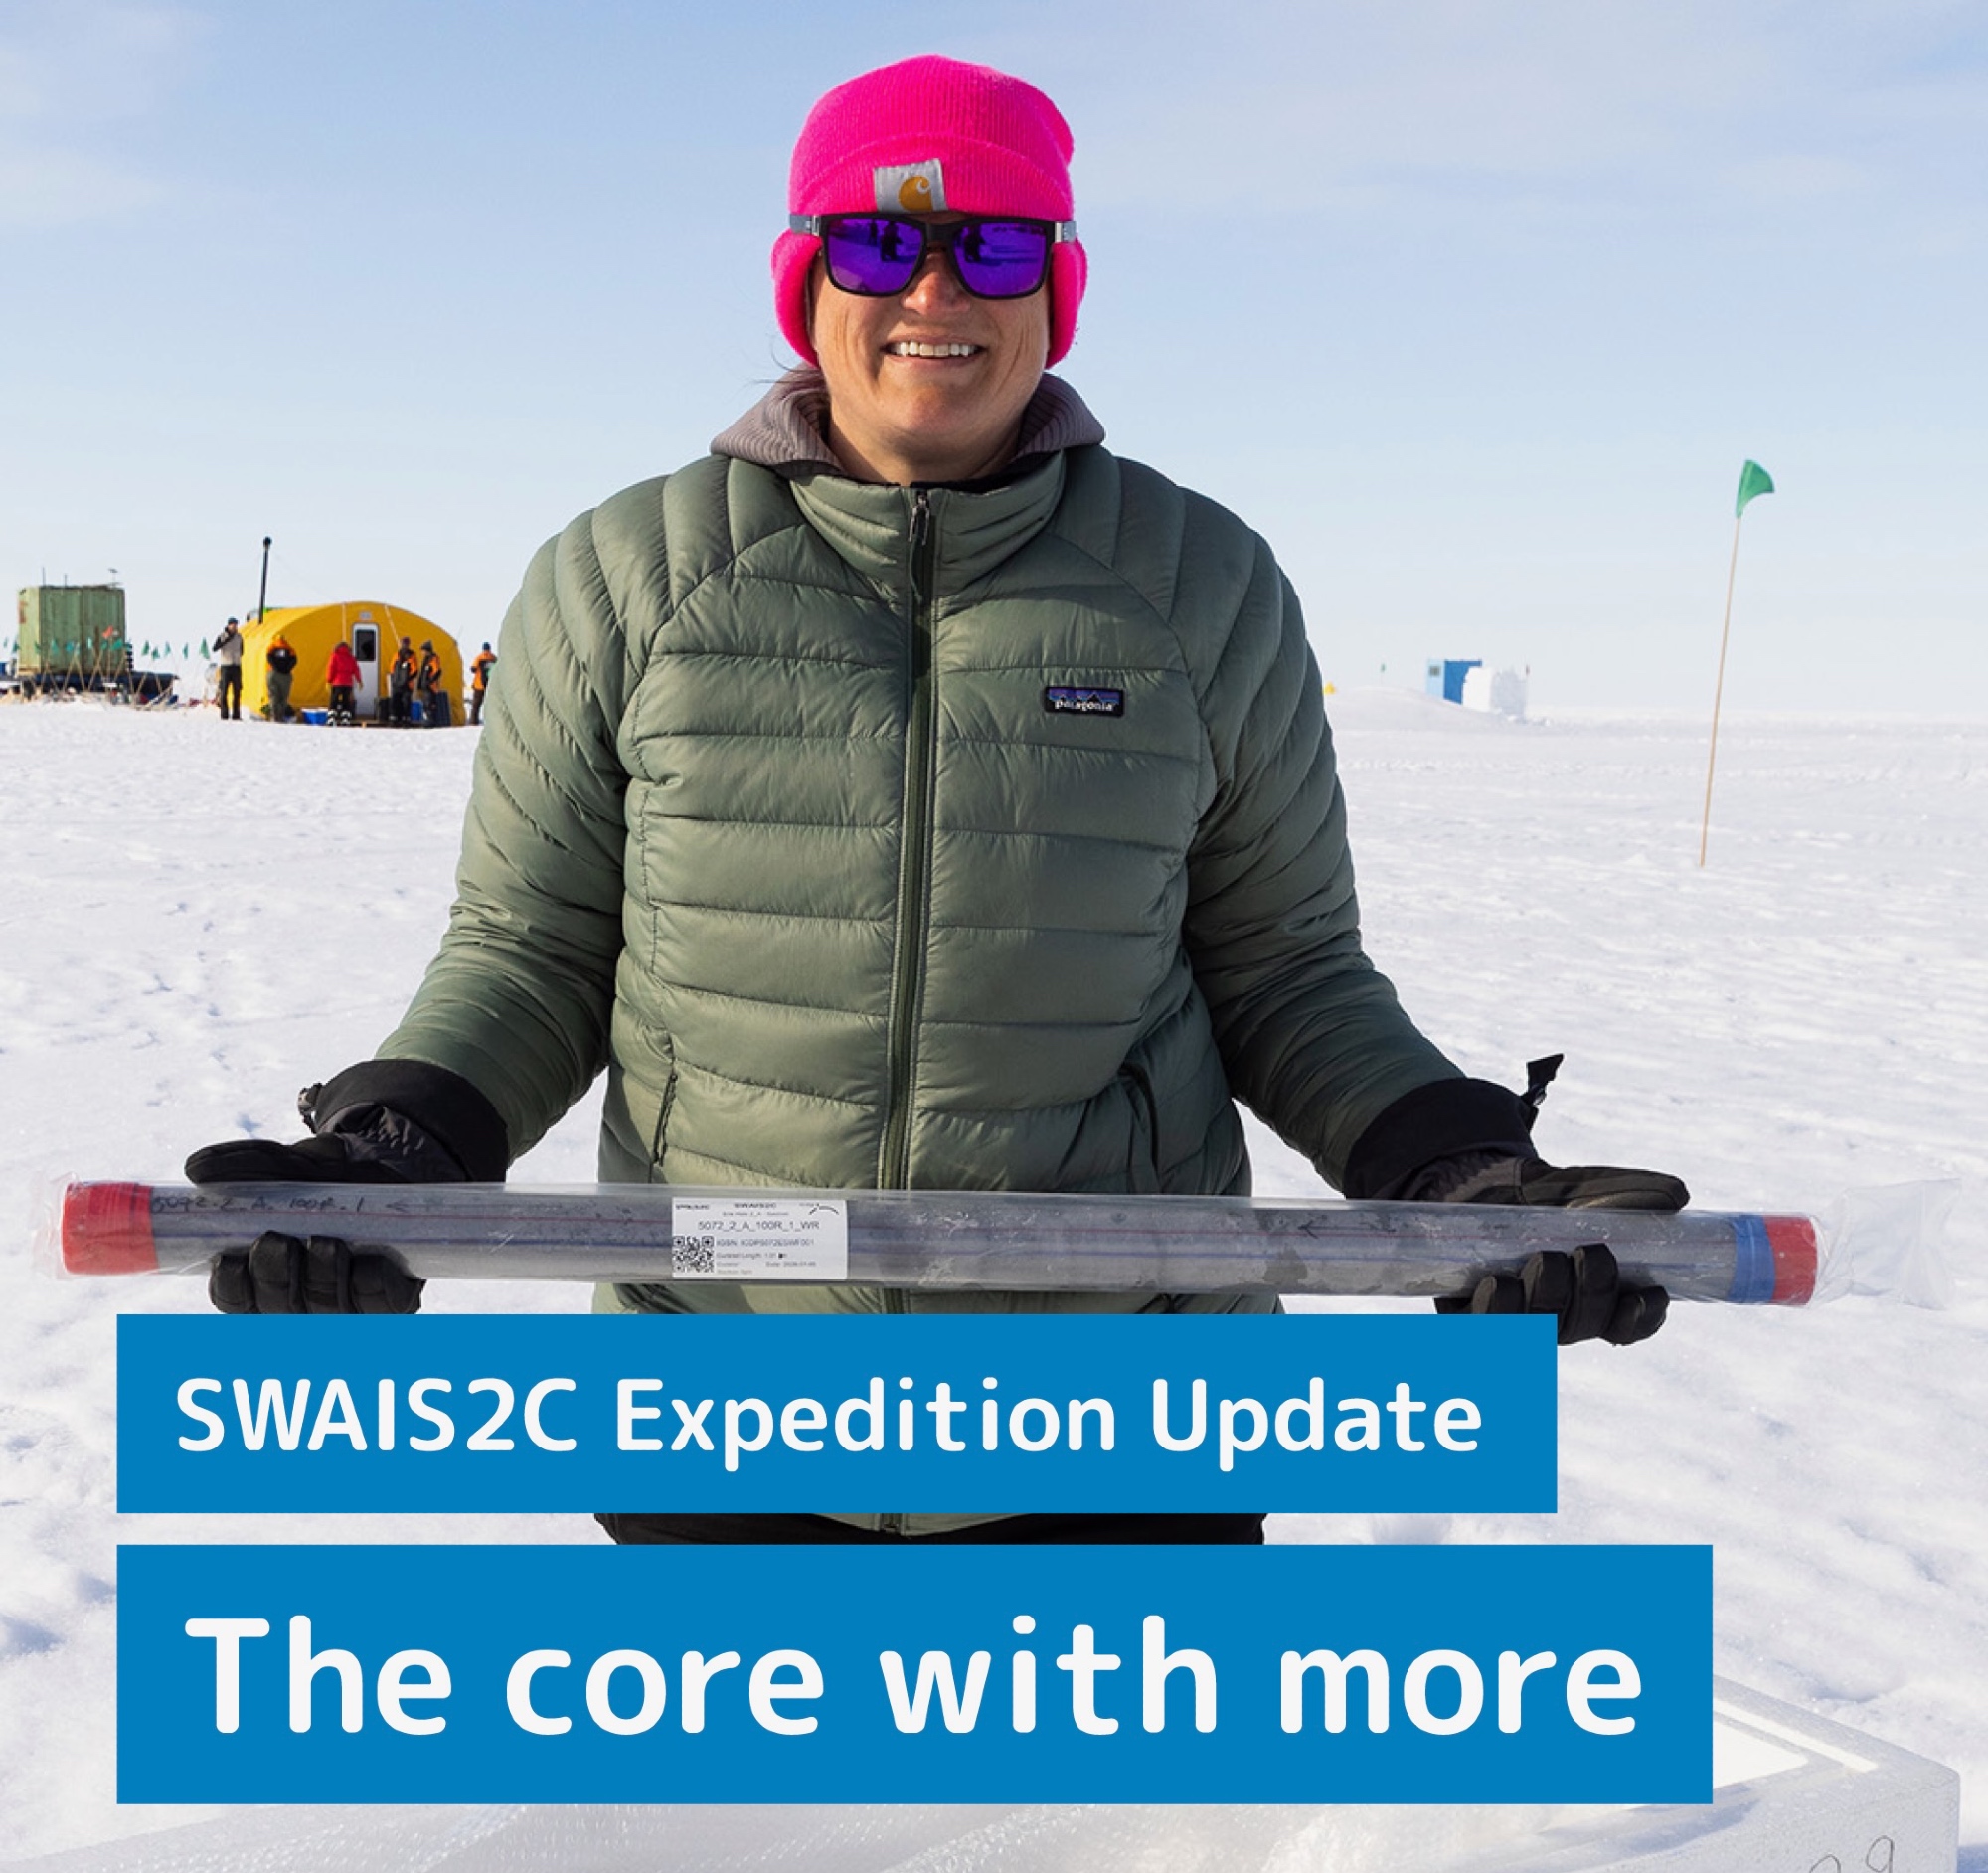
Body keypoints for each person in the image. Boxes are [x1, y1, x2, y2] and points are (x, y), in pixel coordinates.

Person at [186, 57, 1685, 1548]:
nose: (934, 289)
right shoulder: (623, 579)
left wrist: (1457, 1171)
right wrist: (399, 1153)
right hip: (720, 1412)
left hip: (1129, 1423)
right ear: (806, 280)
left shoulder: (1202, 585)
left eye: (997, 246)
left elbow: (1288, 969)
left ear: (1056, 289)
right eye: (878, 239)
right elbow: (532, 951)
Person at [213, 618, 244, 720]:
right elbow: (215, 648)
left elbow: (241, 651)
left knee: (237, 691)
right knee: (224, 691)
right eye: (232, 625)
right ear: (228, 626)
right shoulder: (222, 636)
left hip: (236, 666)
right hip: (226, 666)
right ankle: (224, 714)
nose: (234, 627)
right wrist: (226, 639)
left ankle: (236, 714)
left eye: (235, 625)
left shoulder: (239, 637)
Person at [326, 637, 361, 723]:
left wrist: (328, 680)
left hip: (337, 682)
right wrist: (359, 681)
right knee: (346, 701)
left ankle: (332, 717)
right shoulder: (351, 657)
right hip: (348, 683)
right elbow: (356, 669)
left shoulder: (334, 656)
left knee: (334, 700)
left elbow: (331, 669)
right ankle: (345, 718)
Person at [265, 634, 298, 723]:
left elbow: (269, 658)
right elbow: (294, 660)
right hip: (285, 676)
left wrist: (276, 668)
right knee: (283, 697)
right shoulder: (289, 649)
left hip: (273, 674)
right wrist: (287, 669)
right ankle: (280, 715)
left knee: (274, 696)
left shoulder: (271, 648)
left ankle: (274, 716)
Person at [416, 640, 445, 727]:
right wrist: (420, 684)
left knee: (430, 704)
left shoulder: (433, 659)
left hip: (431, 687)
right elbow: (423, 673)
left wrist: (430, 681)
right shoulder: (426, 660)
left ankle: (431, 720)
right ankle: (428, 720)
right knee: (426, 704)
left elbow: (437, 672)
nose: (422, 653)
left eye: (423, 651)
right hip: (425, 686)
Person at [388, 638, 414, 726]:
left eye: (405, 644)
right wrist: (394, 678)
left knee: (405, 702)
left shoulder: (411, 656)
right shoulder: (397, 655)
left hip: (406, 684)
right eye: (403, 644)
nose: (404, 645)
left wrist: (407, 679)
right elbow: (391, 668)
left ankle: (405, 719)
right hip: (397, 683)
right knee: (395, 701)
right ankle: (395, 718)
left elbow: (414, 670)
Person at [469, 642, 495, 725]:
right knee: (491, 705)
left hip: (479, 685)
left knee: (476, 705)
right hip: (490, 685)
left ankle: (473, 722)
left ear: (483, 649)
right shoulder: (494, 658)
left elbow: (473, 669)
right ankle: (492, 721)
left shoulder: (479, 657)